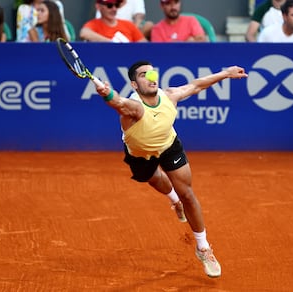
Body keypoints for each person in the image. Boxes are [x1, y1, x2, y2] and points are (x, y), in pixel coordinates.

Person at [94, 60, 247, 277]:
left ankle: (203, 248)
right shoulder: (135, 107)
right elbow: (119, 103)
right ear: (134, 85)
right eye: (142, 75)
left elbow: (196, 85)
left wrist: (226, 73)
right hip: (140, 154)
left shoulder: (169, 96)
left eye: (151, 73)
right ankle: (174, 201)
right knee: (155, 179)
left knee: (188, 193)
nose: (149, 77)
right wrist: (107, 93)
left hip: (168, 145)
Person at [80, 0, 146, 42]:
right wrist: (112, 42)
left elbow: (144, 44)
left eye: (117, 5)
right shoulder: (94, 24)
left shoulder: (128, 24)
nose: (114, 9)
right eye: (109, 6)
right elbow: (84, 33)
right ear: (98, 6)